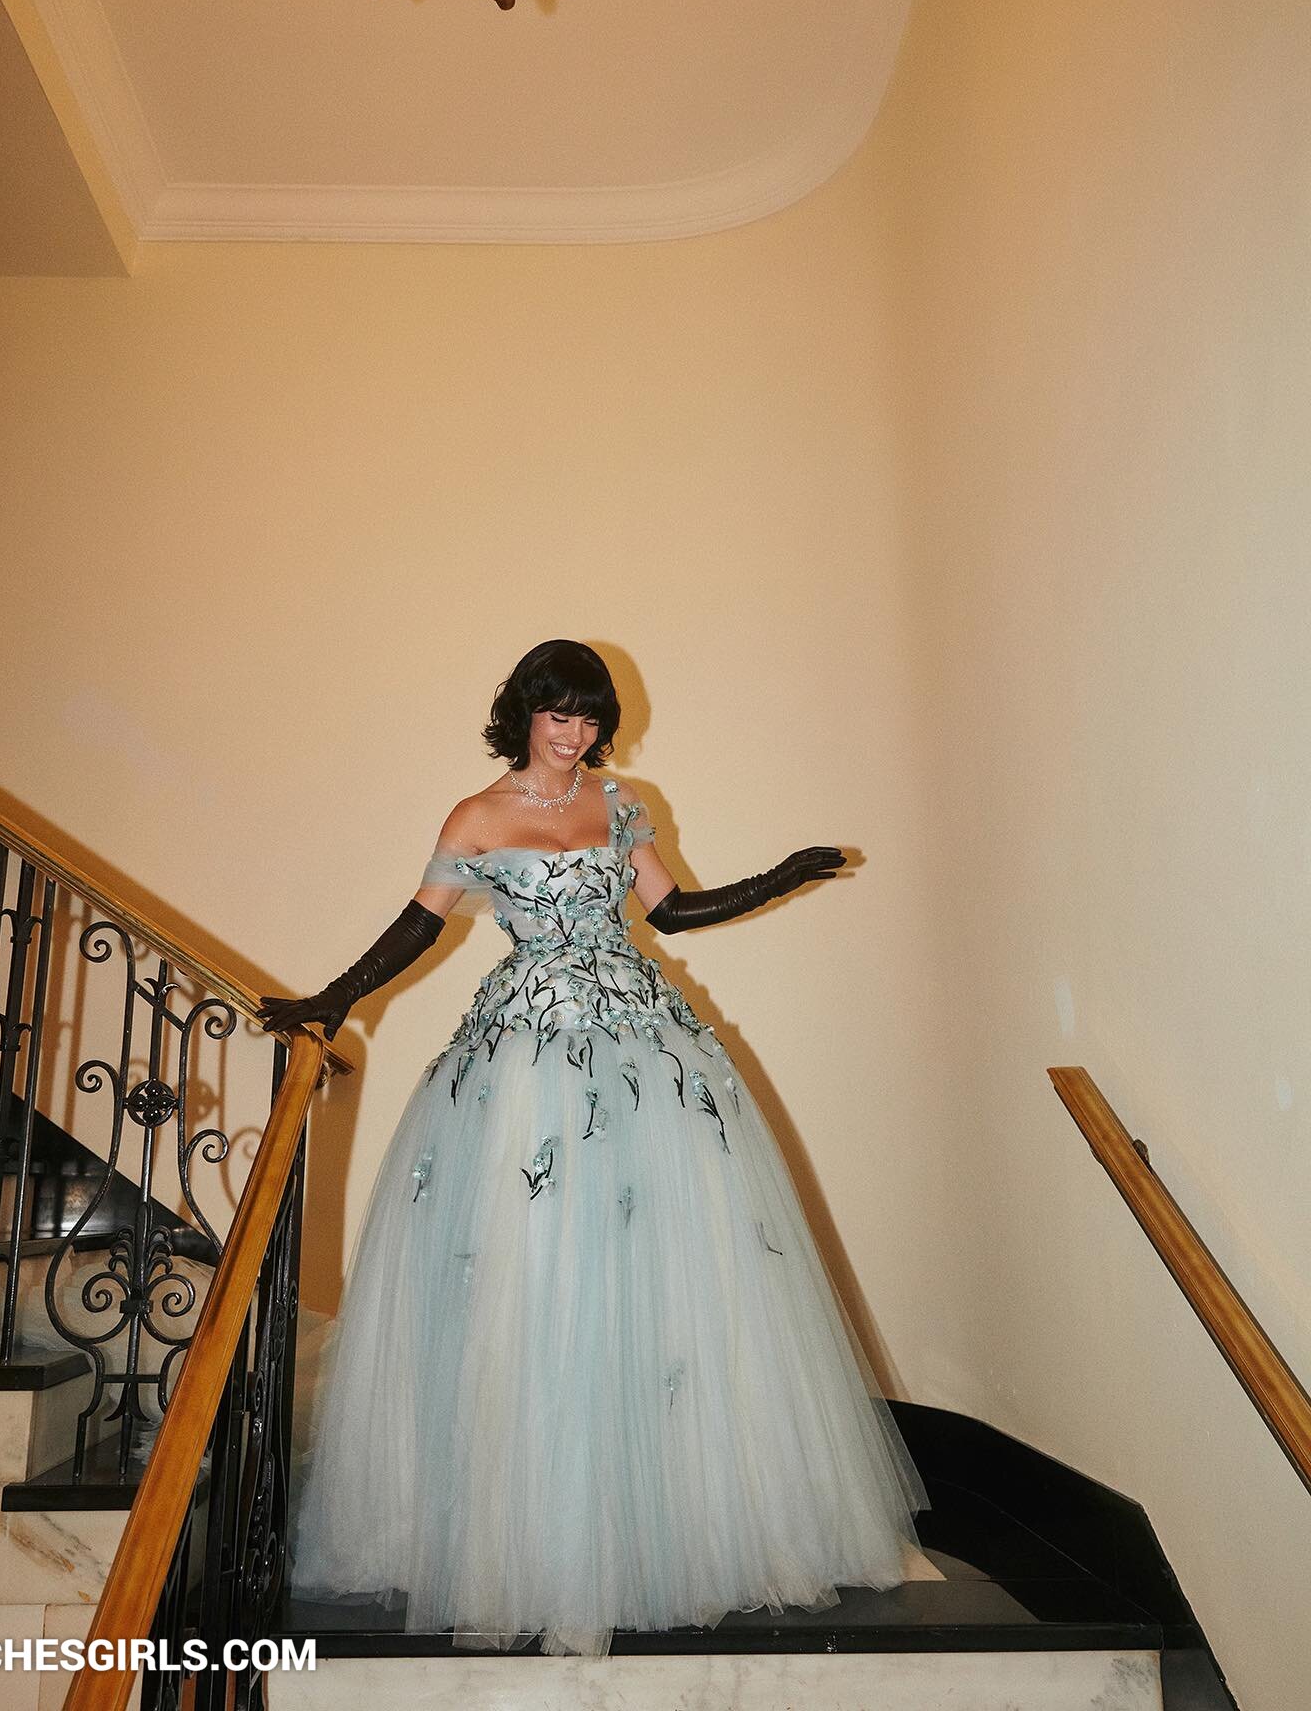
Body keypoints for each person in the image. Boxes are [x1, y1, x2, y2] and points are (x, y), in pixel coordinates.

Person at [261, 639, 929, 1657]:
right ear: (524, 715)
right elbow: (418, 927)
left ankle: (682, 1522)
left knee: (673, 1265)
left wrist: (779, 876)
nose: (573, 733)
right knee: (527, 1272)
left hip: (642, 1046)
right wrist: (330, 999)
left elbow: (674, 910)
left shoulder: (621, 804)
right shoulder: (476, 818)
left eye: (588, 717)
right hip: (524, 1060)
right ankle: (529, 1539)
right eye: (557, 713)